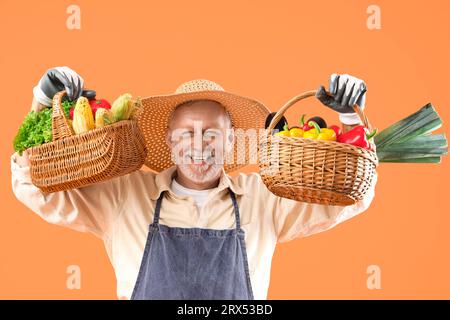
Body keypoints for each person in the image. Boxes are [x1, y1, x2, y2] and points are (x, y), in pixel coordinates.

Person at [11, 67, 376, 300]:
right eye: (187, 133)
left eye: (212, 133)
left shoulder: (264, 199)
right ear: (169, 141)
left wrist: (349, 118)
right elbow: (33, 185)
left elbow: (349, 196)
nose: (199, 145)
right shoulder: (126, 194)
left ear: (232, 141)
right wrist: (42, 103)